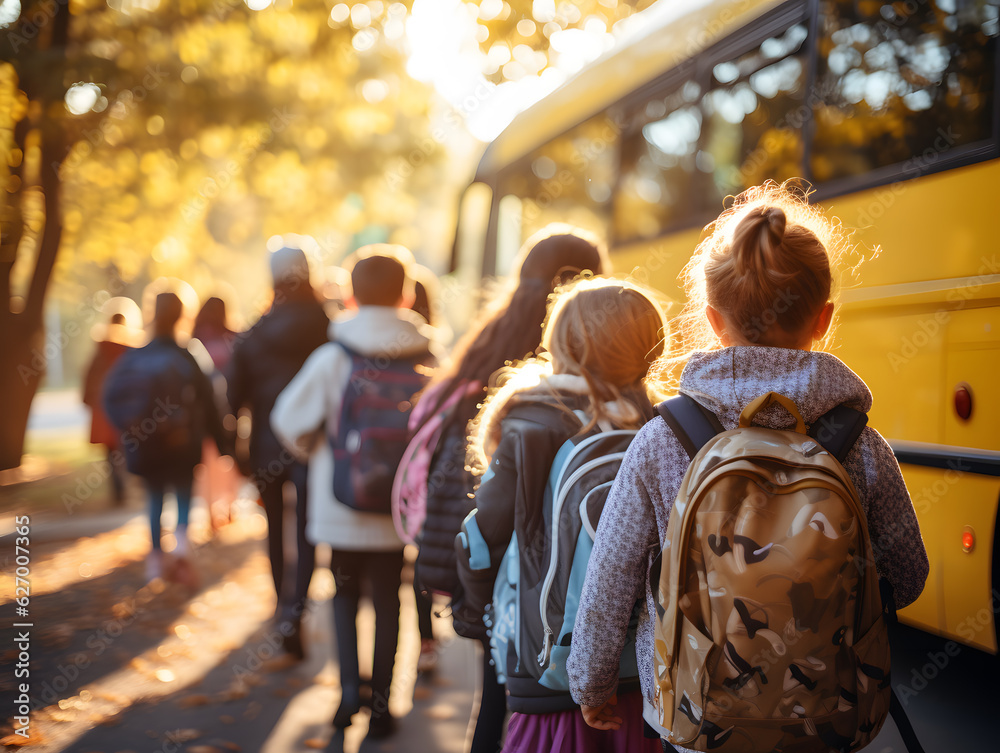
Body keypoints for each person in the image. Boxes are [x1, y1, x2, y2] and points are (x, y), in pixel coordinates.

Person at [567, 182, 929, 749]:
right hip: (826, 714)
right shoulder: (860, 443)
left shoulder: (664, 438)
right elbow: (908, 579)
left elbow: (610, 581)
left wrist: (590, 685)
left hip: (695, 711)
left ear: (712, 318)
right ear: (823, 317)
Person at [413, 226, 608, 753]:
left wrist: (474, 595)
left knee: (499, 701)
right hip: (575, 584)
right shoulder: (606, 370)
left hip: (498, 574)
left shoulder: (486, 350)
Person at [456, 277, 667, 753]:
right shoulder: (665, 426)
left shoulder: (532, 423)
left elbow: (482, 537)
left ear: (562, 343)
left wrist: (472, 612)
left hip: (549, 661)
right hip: (646, 662)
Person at [271, 244, 440, 740]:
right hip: (397, 509)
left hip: (340, 503)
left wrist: (318, 453)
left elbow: (287, 421)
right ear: (407, 294)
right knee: (391, 598)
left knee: (343, 595)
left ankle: (348, 695)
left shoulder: (333, 356)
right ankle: (386, 705)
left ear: (349, 295)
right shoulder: (431, 355)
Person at [226, 245, 330, 658]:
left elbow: (234, 398)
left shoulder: (254, 333)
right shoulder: (328, 327)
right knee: (307, 531)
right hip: (314, 447)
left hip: (267, 448)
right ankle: (297, 609)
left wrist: (233, 448)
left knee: (274, 529)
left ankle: (281, 606)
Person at [103, 291, 229, 584]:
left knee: (154, 498)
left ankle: (157, 557)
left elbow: (110, 398)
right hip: (183, 443)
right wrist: (223, 443)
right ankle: (182, 544)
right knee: (184, 494)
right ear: (182, 315)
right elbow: (211, 401)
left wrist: (128, 431)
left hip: (147, 446)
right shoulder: (189, 354)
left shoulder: (134, 356)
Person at [82, 298, 142, 506]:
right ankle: (131, 485)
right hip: (127, 410)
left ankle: (118, 491)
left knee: (111, 454)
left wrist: (89, 401)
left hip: (103, 410)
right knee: (127, 448)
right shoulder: (132, 349)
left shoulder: (101, 349)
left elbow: (88, 377)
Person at [191, 295, 240, 529]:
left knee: (207, 461)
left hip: (202, 411)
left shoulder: (194, 338)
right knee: (229, 457)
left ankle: (211, 509)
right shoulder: (233, 338)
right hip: (229, 409)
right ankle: (229, 505)